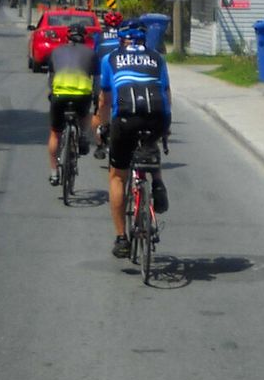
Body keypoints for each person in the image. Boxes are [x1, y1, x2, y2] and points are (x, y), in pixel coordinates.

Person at [94, 25, 171, 258]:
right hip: (157, 117)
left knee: (118, 176)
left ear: (121, 41)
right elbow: (166, 94)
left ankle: (121, 239)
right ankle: (157, 183)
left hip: (126, 118)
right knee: (150, 143)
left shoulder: (110, 58)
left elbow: (105, 100)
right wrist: (165, 128)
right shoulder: (157, 58)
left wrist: (102, 126)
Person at [46, 22, 99, 186]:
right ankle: (83, 136)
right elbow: (96, 80)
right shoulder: (91, 53)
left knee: (55, 133)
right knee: (86, 114)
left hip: (59, 95)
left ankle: (54, 173)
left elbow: (50, 77)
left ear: (67, 37)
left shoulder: (56, 51)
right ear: (84, 38)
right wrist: (96, 98)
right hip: (82, 95)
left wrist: (52, 92)